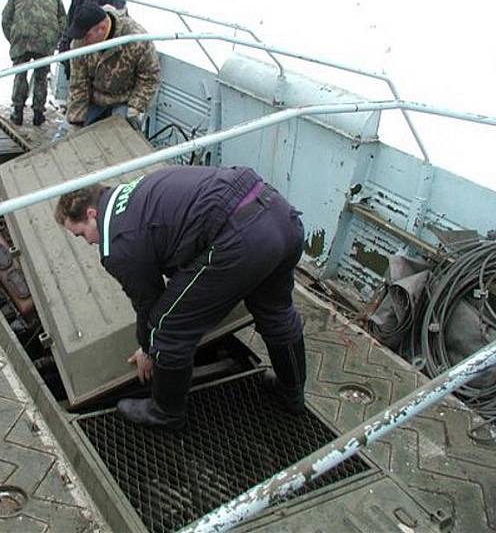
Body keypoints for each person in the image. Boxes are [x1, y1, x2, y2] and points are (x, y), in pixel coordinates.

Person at [54, 165, 307, 430]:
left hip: (240, 236)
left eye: (81, 233)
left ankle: (165, 411)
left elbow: (149, 303)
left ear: (92, 214)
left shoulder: (118, 242)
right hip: (278, 214)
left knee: (167, 328)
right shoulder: (134, 191)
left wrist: (148, 347)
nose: (88, 243)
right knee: (276, 312)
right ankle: (292, 393)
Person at [65, 4, 160, 128]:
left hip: (124, 100)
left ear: (102, 28)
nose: (83, 41)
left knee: (121, 136)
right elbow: (78, 83)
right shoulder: (80, 44)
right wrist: (76, 121)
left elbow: (149, 77)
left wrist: (135, 107)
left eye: (87, 36)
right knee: (66, 134)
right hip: (94, 99)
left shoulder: (136, 39)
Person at [1, 0, 66, 127]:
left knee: (20, 74)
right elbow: (63, 20)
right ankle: (38, 113)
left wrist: (13, 38)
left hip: (21, 38)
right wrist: (54, 40)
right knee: (41, 76)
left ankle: (17, 111)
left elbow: (5, 18)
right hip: (45, 39)